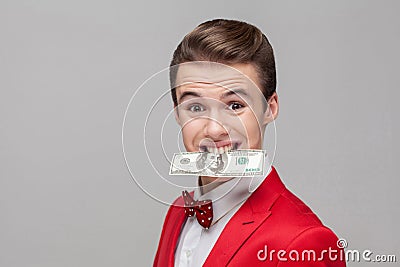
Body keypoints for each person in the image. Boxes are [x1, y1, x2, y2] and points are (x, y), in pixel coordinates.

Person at [154, 19, 346, 266]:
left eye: (235, 106)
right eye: (196, 107)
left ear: (270, 108)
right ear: (178, 113)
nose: (214, 129)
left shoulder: (304, 241)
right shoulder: (178, 211)